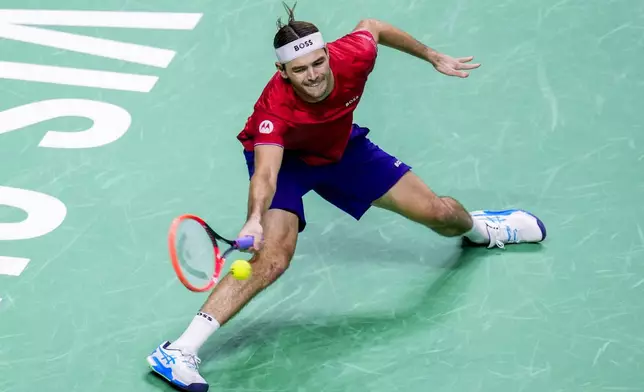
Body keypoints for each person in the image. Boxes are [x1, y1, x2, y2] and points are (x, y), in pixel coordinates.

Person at [146, 3, 547, 391]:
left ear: (327, 54)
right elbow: (267, 172)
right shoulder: (276, 109)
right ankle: (179, 350)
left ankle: (482, 229)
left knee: (438, 212)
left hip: (340, 149)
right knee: (272, 258)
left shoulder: (354, 54)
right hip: (286, 161)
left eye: (318, 63)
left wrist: (431, 55)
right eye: (299, 70)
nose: (313, 75)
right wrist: (255, 217)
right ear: (282, 72)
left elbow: (374, 25)